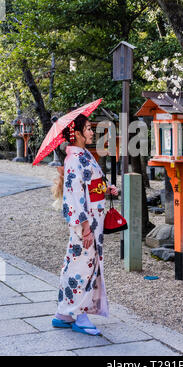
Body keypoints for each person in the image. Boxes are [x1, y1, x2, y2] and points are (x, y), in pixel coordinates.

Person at [51, 114, 118, 336]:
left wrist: (106, 190)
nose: (91, 132)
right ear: (77, 134)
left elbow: (92, 184)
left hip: (93, 218)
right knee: (83, 267)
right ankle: (79, 314)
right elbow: (74, 195)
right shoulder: (73, 159)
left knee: (78, 264)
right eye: (88, 129)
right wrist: (85, 227)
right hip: (85, 223)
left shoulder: (84, 155)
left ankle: (64, 313)